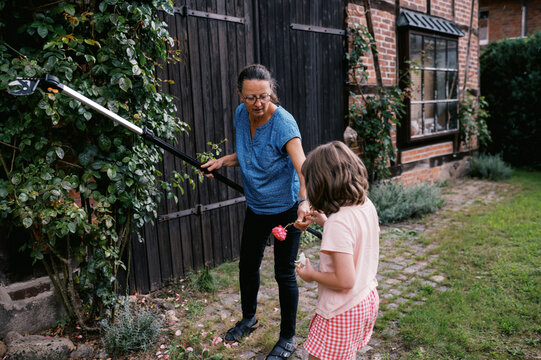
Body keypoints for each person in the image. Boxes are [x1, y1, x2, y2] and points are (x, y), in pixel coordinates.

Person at [201, 64, 310, 359]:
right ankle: (249, 319)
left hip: (286, 210)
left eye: (264, 96)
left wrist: (304, 201)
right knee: (247, 266)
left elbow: (303, 168)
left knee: (284, 273)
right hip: (256, 207)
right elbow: (250, 154)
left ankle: (287, 337)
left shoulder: (284, 124)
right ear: (240, 95)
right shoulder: (240, 115)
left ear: (271, 91)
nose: (258, 104)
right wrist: (223, 162)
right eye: (251, 98)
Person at [296, 141, 380, 360]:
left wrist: (311, 275)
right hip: (365, 297)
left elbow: (345, 280)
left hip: (341, 310)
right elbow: (354, 238)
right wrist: (326, 223)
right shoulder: (365, 205)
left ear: (322, 184)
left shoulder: (338, 222)